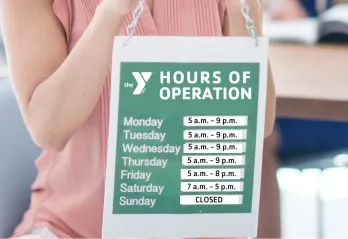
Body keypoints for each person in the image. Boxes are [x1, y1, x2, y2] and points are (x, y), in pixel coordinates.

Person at [0, 0, 276, 238]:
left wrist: (243, 10)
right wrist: (110, 14)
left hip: (202, 226)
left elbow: (258, 126)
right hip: (75, 229)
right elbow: (49, 129)